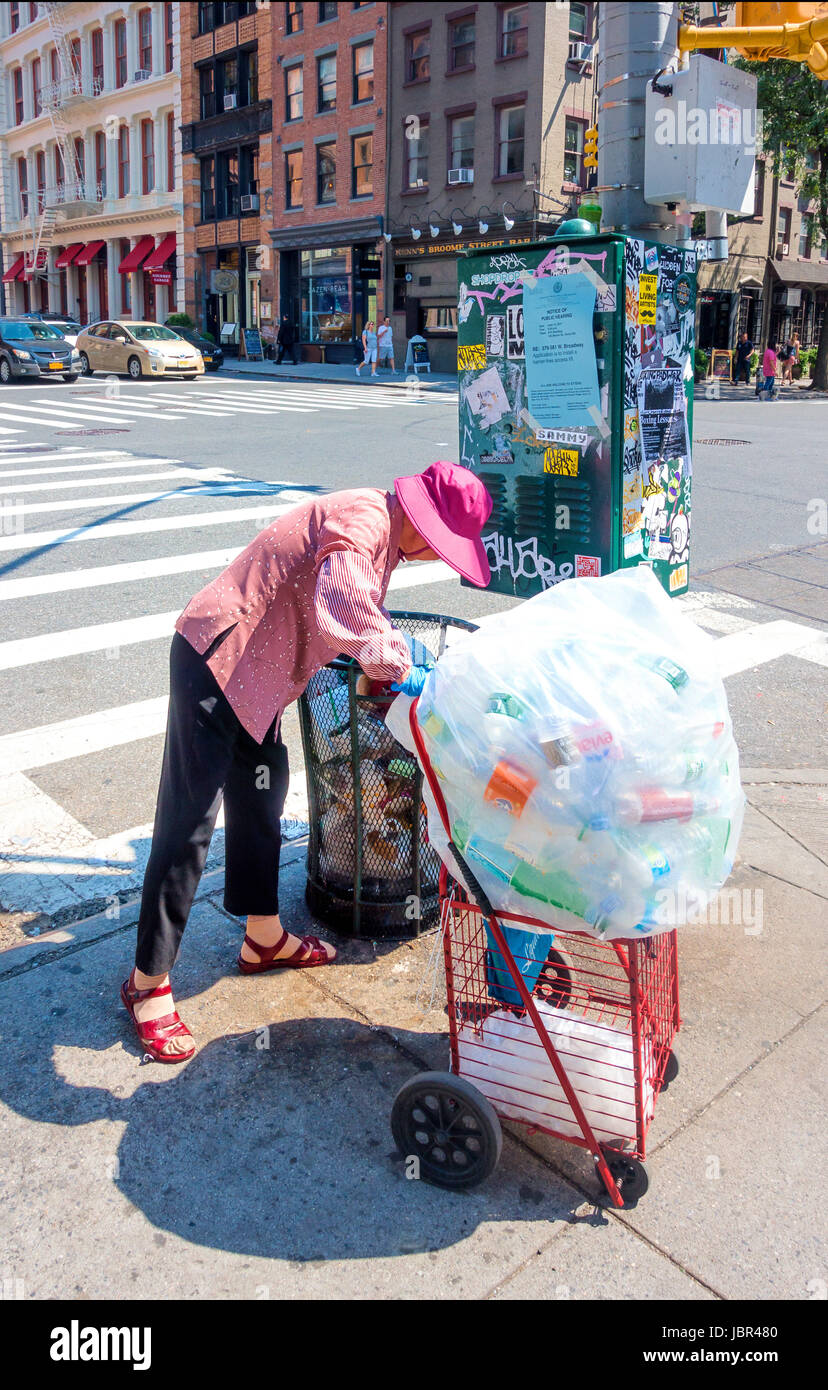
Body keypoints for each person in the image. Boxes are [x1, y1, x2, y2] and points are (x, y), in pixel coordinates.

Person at [121, 462, 494, 1063]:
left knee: (264, 793)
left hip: (259, 681)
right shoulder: (366, 518)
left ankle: (263, 937)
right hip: (219, 663)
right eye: (443, 548)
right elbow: (343, 607)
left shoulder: (384, 536)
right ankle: (147, 983)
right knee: (188, 823)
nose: (438, 559)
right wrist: (407, 672)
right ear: (425, 527)